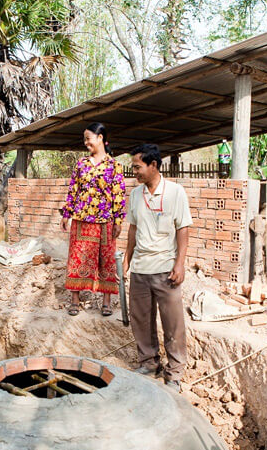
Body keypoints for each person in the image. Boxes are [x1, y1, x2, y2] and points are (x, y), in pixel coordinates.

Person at [124, 143, 192, 392]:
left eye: (138, 167)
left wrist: (180, 264)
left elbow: (183, 229)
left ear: (153, 165)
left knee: (172, 323)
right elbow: (132, 228)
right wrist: (127, 260)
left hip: (165, 268)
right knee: (141, 320)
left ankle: (174, 373)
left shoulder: (175, 192)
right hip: (141, 268)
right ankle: (149, 362)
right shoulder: (135, 195)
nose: (135, 172)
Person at [61, 122, 126, 316]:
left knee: (106, 261)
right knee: (77, 258)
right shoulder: (81, 164)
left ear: (100, 138)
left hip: (106, 221)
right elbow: (73, 190)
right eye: (84, 139)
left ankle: (106, 302)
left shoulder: (114, 166)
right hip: (82, 219)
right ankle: (75, 299)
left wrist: (118, 220)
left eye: (88, 138)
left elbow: (119, 194)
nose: (86, 143)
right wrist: (66, 214)